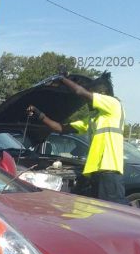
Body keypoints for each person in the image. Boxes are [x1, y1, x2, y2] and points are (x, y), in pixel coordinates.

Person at [27, 72, 127, 205]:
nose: (86, 101)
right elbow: (60, 128)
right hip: (94, 172)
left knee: (113, 213)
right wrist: (39, 114)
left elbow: (80, 91)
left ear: (102, 93)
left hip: (109, 171)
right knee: (92, 212)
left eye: (90, 95)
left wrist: (62, 78)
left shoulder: (114, 105)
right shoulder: (92, 119)